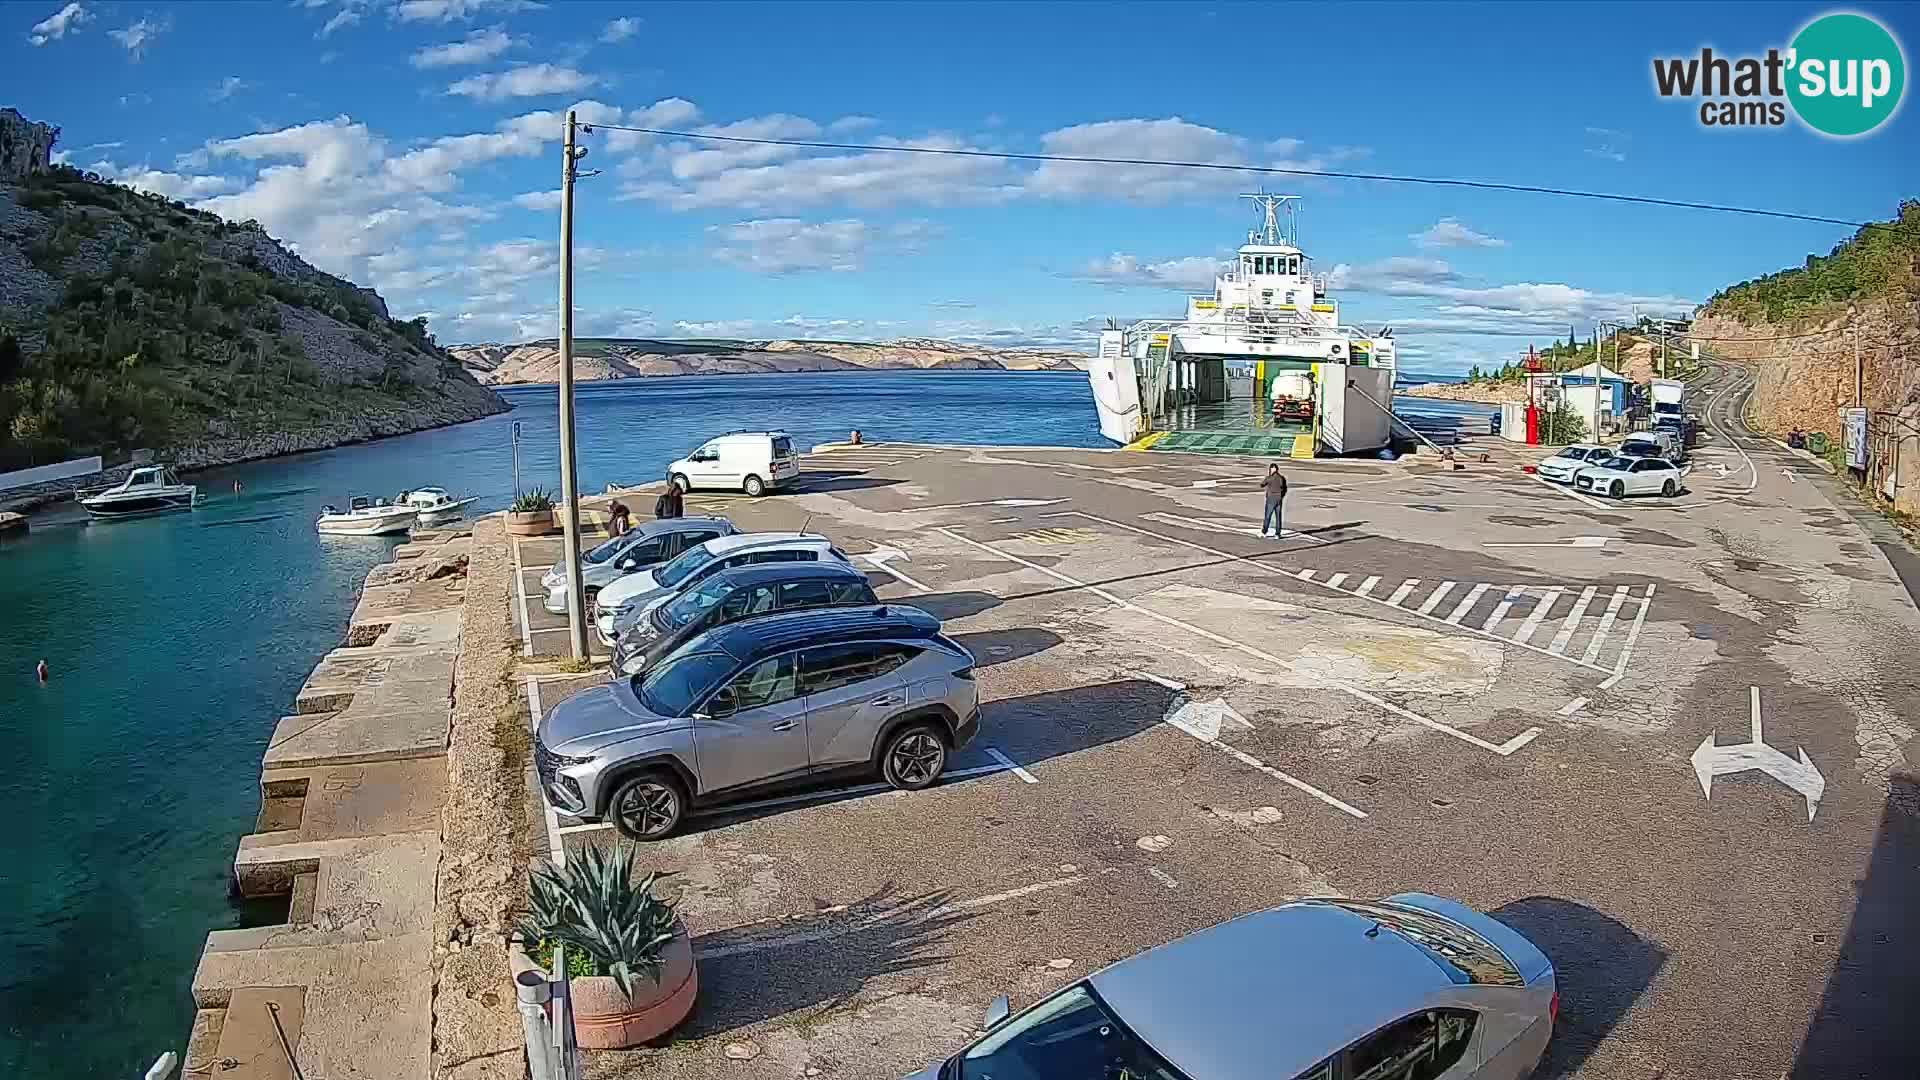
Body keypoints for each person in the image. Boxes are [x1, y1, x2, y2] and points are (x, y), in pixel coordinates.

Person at [1261, 463, 1288, 538]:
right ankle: (1278, 533)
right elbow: (1285, 488)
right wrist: (1282, 496)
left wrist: (1267, 478)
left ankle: (1264, 531)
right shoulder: (1281, 478)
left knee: (1268, 516)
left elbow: (1262, 484)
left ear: (1272, 469)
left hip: (1271, 499)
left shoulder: (1270, 478)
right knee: (1278, 517)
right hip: (1279, 499)